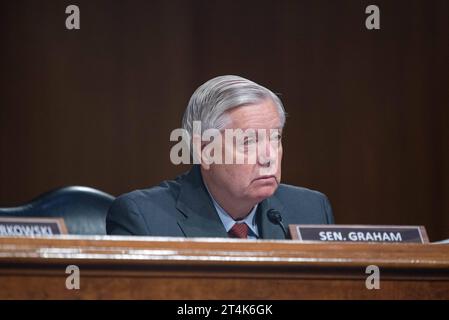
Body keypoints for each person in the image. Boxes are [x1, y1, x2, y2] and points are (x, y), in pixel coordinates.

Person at [106, 75, 334, 239]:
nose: (268, 157)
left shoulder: (310, 210)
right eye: (248, 142)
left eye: (275, 138)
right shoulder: (145, 220)